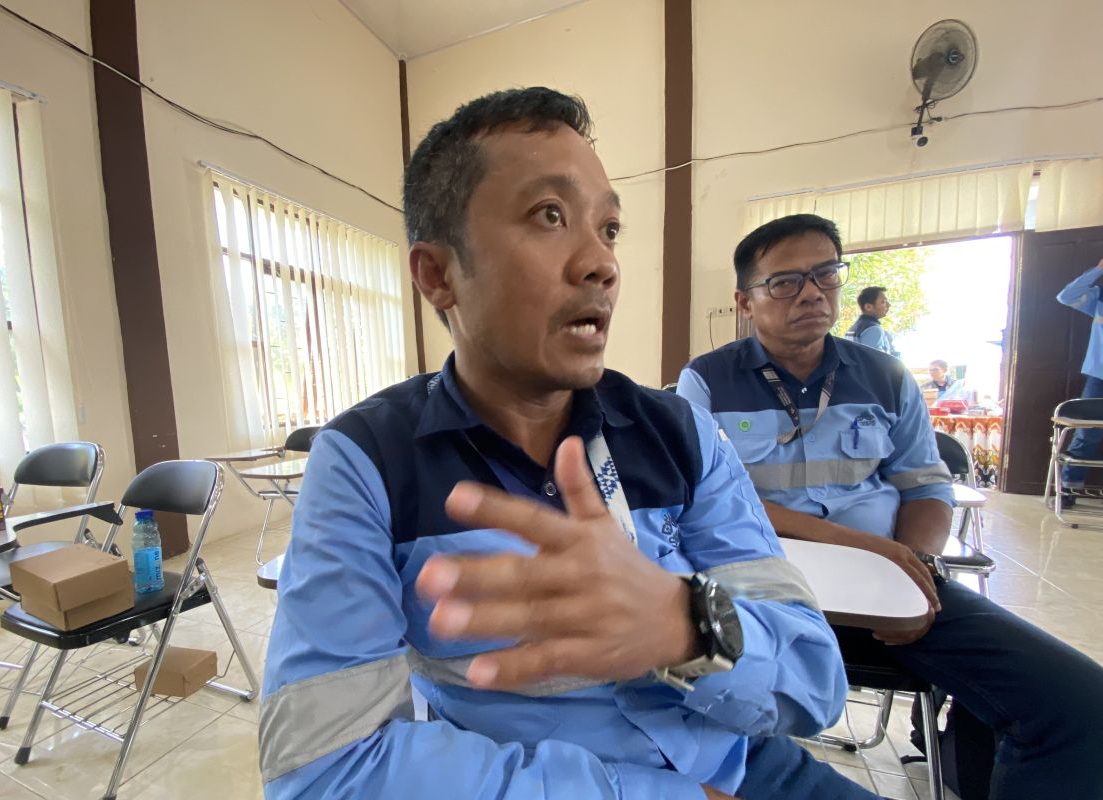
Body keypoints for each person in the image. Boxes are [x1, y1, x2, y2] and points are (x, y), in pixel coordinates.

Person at [260, 90, 878, 799]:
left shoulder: (681, 434)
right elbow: (322, 769)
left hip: (746, 768)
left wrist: (685, 627)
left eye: (609, 228)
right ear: (437, 274)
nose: (601, 264)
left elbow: (813, 683)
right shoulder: (369, 461)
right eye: (549, 215)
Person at [677, 213, 1103, 800]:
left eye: (825, 274)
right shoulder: (705, 382)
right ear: (745, 302)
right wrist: (866, 547)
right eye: (785, 282)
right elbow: (714, 502)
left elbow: (926, 487)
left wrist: (914, 566)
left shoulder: (885, 377)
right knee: (693, 714)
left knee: (1077, 704)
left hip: (888, 590)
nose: (811, 293)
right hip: (763, 590)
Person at [1055, 259, 1103, 505]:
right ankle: (1068, 490)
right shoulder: (1099, 298)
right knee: (1086, 433)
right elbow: (1066, 296)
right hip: (1099, 376)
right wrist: (1098, 270)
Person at [845, 286, 901, 357]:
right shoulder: (873, 329)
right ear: (868, 307)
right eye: (883, 302)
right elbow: (875, 360)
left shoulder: (853, 328)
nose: (889, 305)